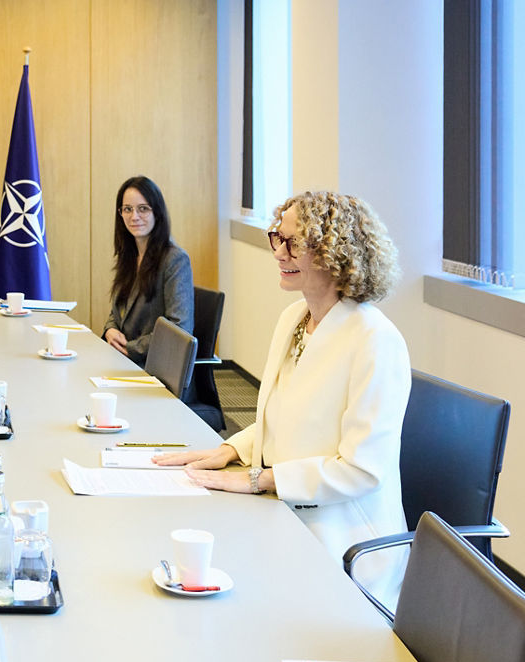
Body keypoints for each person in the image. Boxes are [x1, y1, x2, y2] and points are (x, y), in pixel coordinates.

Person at [155, 190, 410, 607]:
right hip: (287, 512)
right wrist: (229, 449)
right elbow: (287, 418)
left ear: (332, 254)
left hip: (343, 542)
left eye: (293, 243)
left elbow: (363, 470)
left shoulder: (375, 341)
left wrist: (260, 480)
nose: (278, 252)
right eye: (278, 238)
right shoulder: (294, 318)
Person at [102, 176, 194, 366]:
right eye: (127, 209)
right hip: (124, 360)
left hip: (157, 368)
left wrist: (130, 347)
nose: (134, 216)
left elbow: (180, 329)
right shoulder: (128, 256)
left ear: (157, 213)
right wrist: (110, 330)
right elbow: (118, 311)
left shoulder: (175, 260)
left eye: (143, 209)